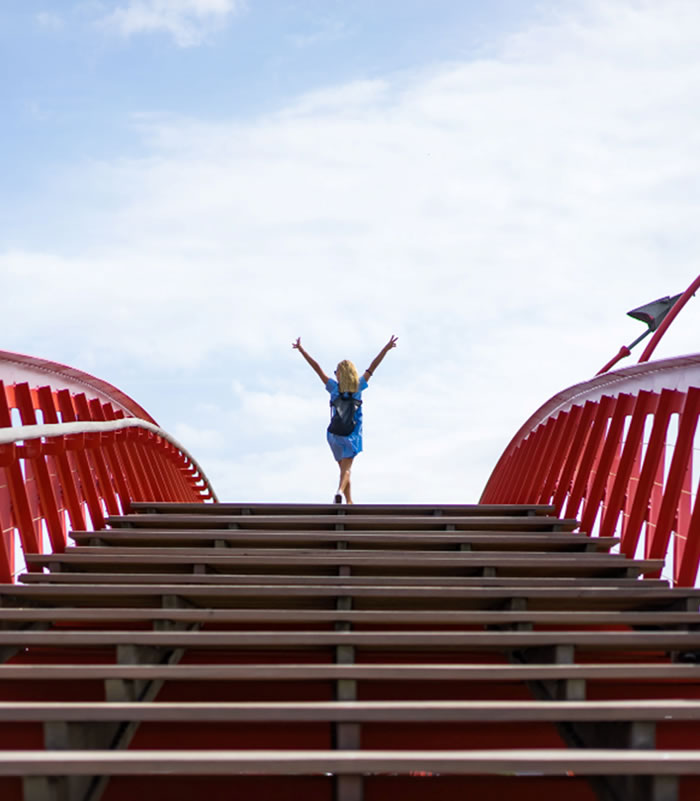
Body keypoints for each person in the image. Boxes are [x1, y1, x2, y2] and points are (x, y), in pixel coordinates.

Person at [292, 335, 398, 504]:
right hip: (352, 434)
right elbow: (373, 366)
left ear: (340, 374)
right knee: (347, 469)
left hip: (334, 434)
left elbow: (317, 368)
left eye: (336, 372)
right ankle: (339, 492)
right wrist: (386, 348)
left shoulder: (334, 387)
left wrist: (302, 350)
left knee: (344, 468)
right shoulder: (358, 386)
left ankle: (349, 501)